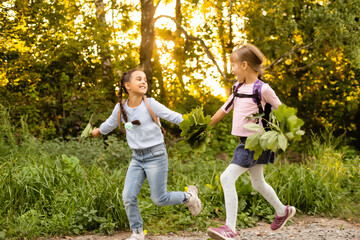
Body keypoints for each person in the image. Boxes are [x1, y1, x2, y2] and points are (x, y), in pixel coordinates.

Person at [91, 68, 201, 240]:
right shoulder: (120, 108)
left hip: (156, 156)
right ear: (127, 85)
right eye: (139, 79)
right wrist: (98, 130)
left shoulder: (150, 104)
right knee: (128, 197)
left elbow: (174, 117)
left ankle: (188, 197)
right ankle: (137, 232)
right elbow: (110, 124)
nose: (143, 82)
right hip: (137, 158)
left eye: (145, 79)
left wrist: (195, 124)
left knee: (159, 199)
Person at [206, 44, 296, 240]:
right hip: (245, 141)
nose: (232, 70)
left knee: (226, 178)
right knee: (258, 183)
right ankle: (282, 211)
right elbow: (224, 109)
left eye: (233, 66)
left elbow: (282, 111)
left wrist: (285, 132)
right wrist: (205, 126)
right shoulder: (238, 88)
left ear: (244, 65)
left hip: (255, 142)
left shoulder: (263, 89)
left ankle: (230, 227)